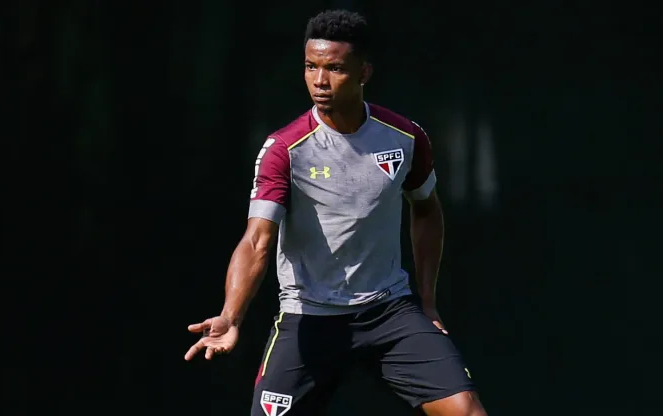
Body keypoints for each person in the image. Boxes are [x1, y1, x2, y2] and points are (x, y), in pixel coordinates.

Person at [184, 9, 488, 416]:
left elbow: (427, 211)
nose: (320, 81)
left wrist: (427, 302)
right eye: (311, 67)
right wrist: (230, 315)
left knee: (465, 410)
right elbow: (257, 240)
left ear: (364, 72)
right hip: (309, 318)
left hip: (389, 312)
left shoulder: (405, 138)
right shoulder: (284, 150)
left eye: (335, 69)